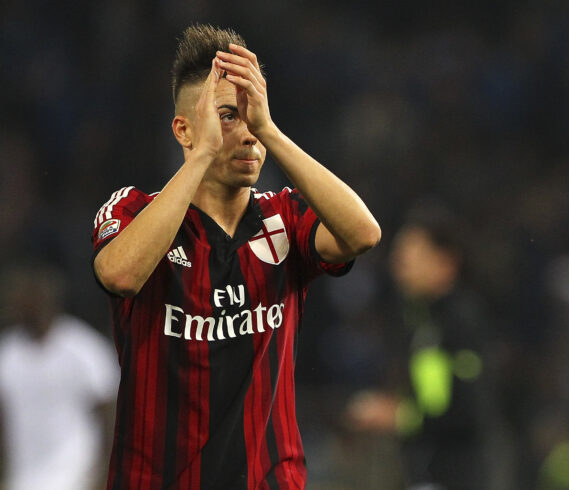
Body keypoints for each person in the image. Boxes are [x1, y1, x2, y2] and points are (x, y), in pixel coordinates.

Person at [90, 24, 380, 490]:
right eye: (227, 116)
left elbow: (363, 233)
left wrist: (271, 131)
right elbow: (119, 274)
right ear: (184, 130)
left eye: (253, 115)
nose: (247, 134)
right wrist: (203, 154)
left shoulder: (285, 218)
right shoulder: (132, 209)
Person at [346, 203, 504, 490]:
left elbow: (469, 410)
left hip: (459, 477)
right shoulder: (419, 319)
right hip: (428, 474)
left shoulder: (462, 321)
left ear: (446, 262)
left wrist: (396, 415)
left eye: (413, 254)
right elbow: (432, 400)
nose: (399, 264)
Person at [0, 262, 119, 490]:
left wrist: (104, 474)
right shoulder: (8, 353)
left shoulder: (83, 348)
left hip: (76, 478)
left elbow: (110, 415)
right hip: (22, 480)